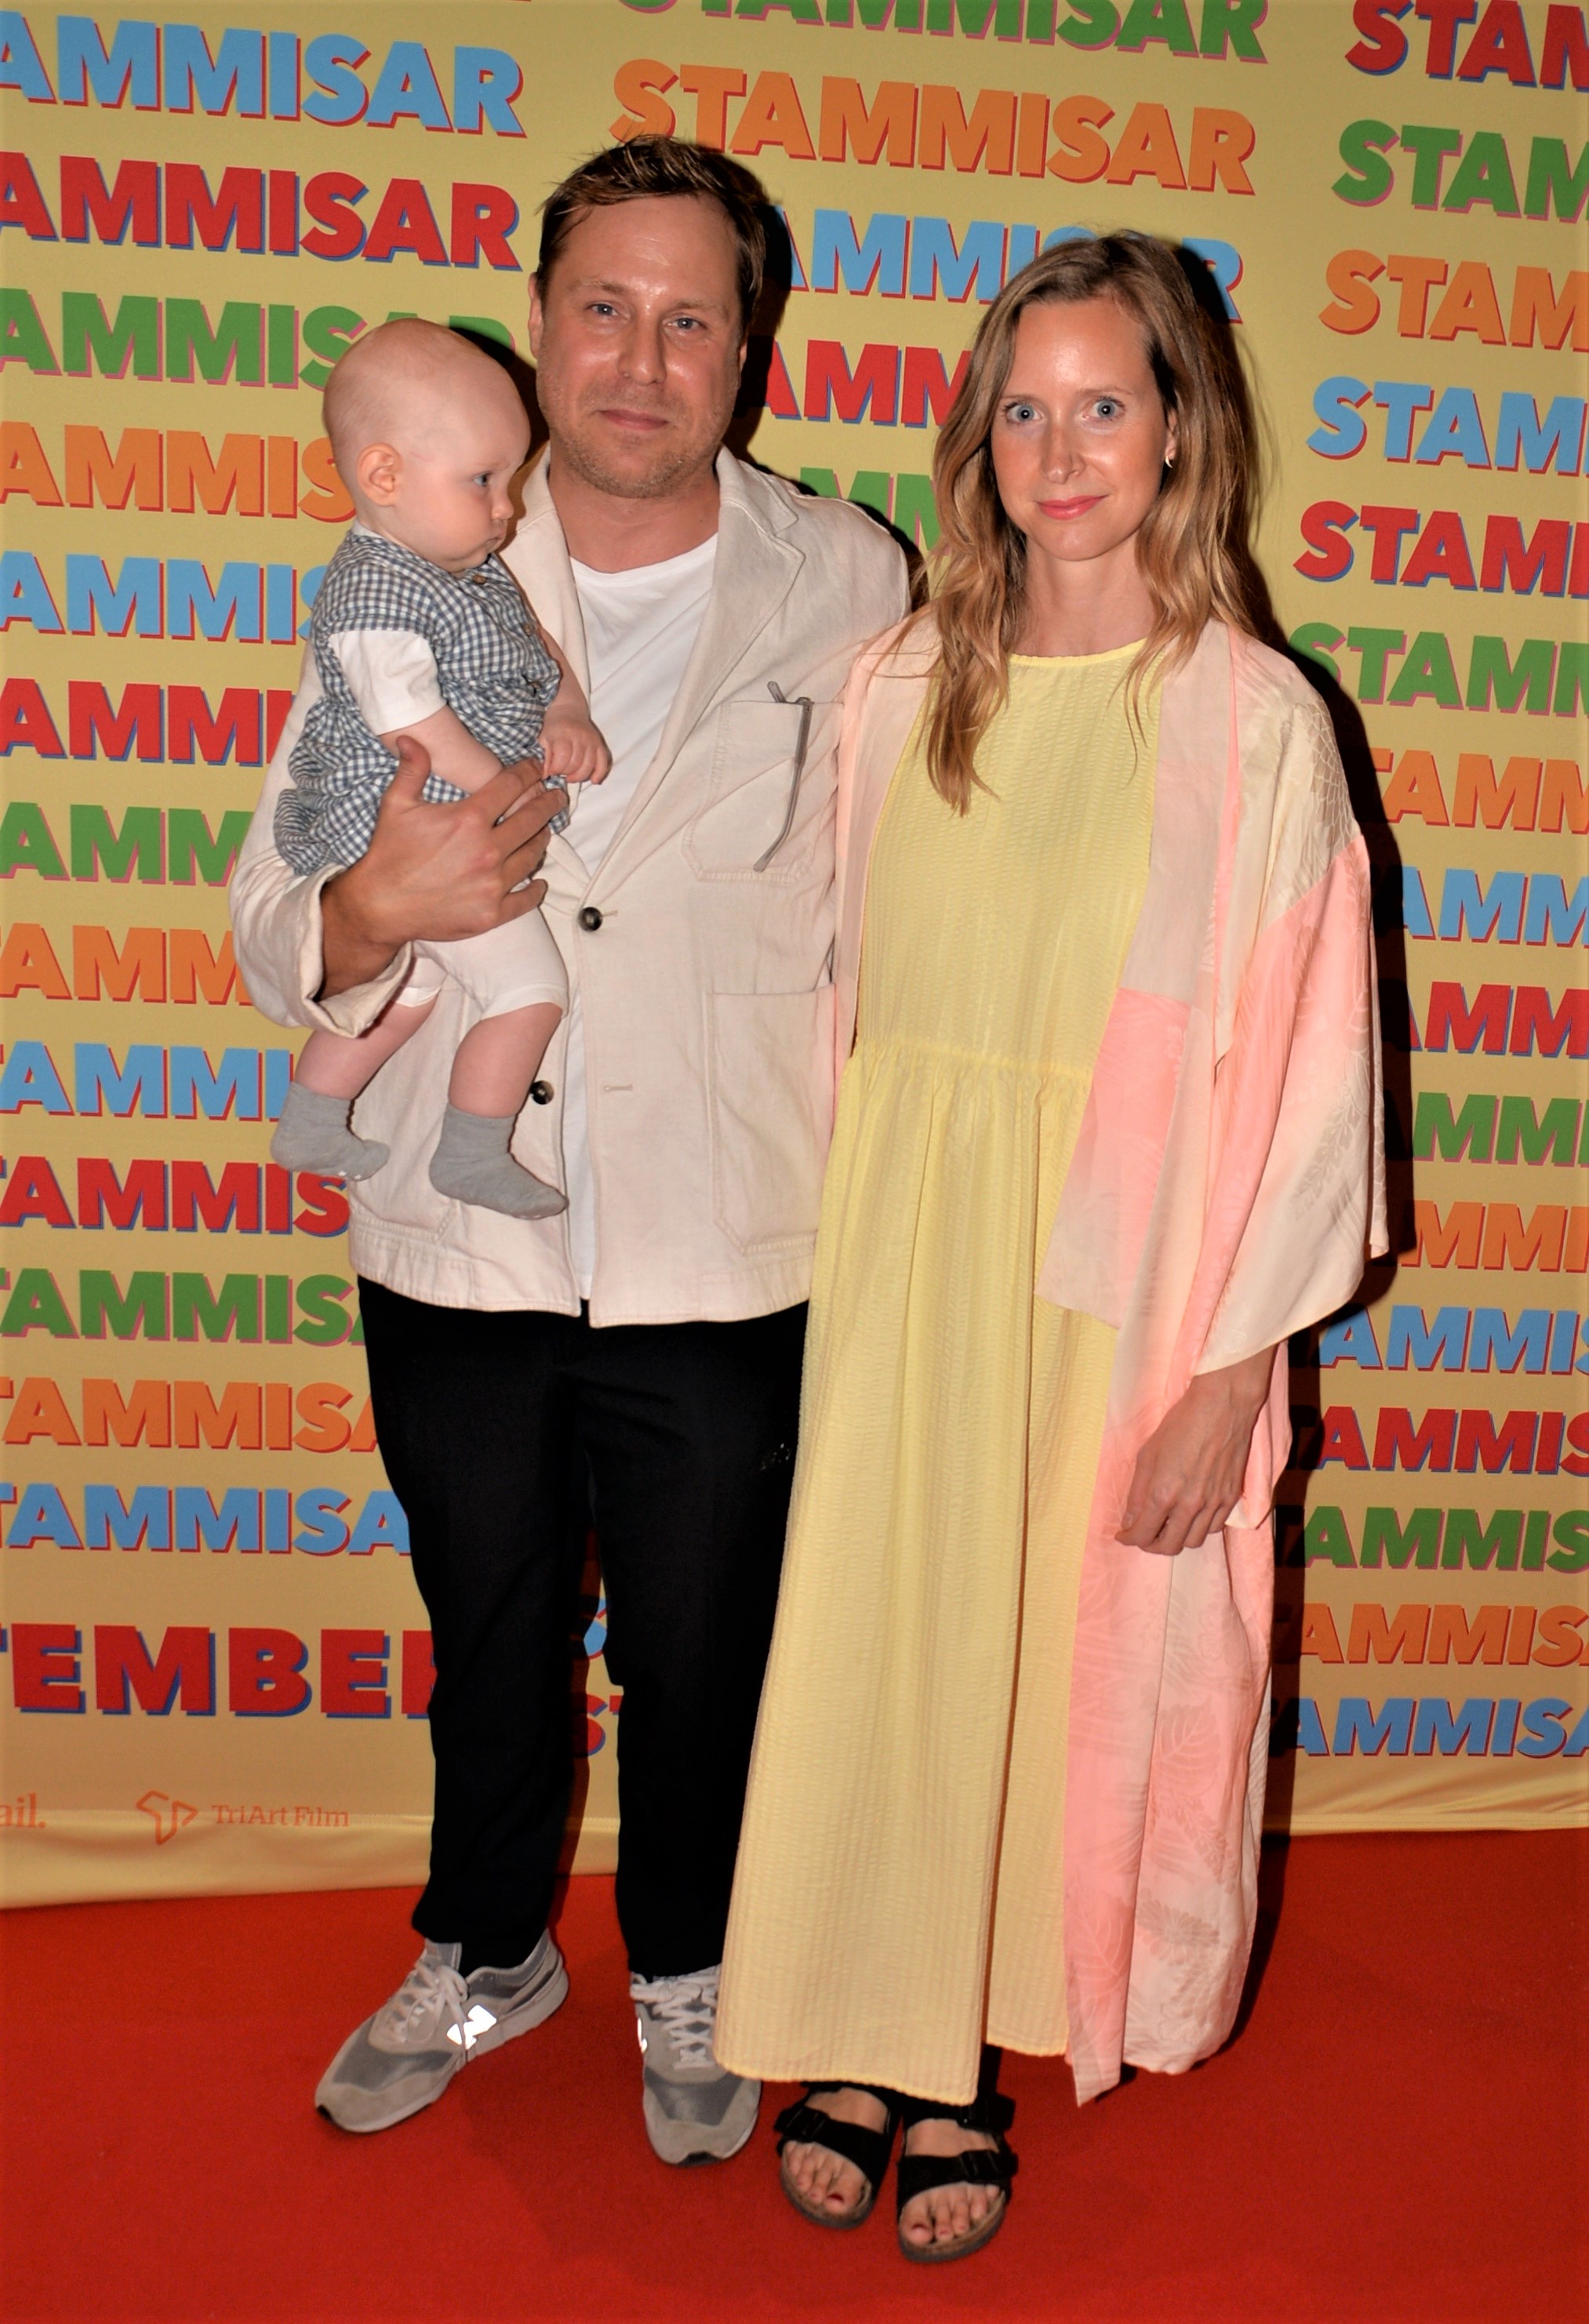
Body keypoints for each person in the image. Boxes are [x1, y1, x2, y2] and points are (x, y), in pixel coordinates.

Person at [230, 137, 907, 2160]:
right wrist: (370, 914)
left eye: (691, 317)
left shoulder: (849, 578)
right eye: (603, 307)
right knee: (494, 1633)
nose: (640, 356)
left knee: (709, 1650)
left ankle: (692, 1964)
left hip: (730, 1230)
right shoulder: (412, 554)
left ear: (746, 351)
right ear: (536, 327)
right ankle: (488, 1946)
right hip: (456, 1230)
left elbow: (891, 909)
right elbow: (273, 898)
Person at [715, 232, 1386, 2260]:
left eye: (1105, 404)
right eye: (1024, 408)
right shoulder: (897, 682)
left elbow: (1310, 1081)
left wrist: (1230, 1376)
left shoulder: (1250, 719)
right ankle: (860, 2020)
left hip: (1120, 1296)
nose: (1062, 450)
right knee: (886, 1644)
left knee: (1038, 1669)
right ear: (978, 438)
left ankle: (958, 2067)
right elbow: (831, 999)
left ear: (1179, 432)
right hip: (903, 1257)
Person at [270, 318, 609, 1220]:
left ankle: (310, 1120)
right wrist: (510, 795)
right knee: (530, 990)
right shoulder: (374, 596)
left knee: (413, 988)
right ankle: (471, 1151)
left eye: (511, 479)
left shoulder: (466, 566)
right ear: (384, 477)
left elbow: (533, 641)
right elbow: (412, 731)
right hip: (409, 824)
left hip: (444, 824)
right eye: (484, 481)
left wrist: (565, 711)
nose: (508, 509)